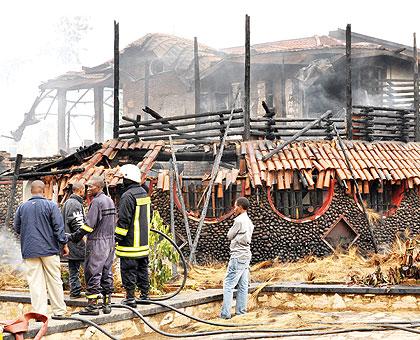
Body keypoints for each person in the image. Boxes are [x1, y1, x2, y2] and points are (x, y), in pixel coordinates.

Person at [14, 180, 69, 317]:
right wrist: (64, 244)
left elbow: (17, 228)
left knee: (35, 282)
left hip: (30, 250)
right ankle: (59, 311)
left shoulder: (22, 207)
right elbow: (59, 228)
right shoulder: (51, 206)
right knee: (54, 280)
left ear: (31, 191)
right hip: (49, 249)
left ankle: (40, 314)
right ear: (44, 191)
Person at [69, 176, 116, 315]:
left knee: (93, 273)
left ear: (99, 187)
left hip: (97, 242)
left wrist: (74, 237)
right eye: (87, 186)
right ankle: (107, 305)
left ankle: (92, 307)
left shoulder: (96, 202)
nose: (88, 189)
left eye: (91, 186)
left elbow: (89, 226)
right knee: (107, 272)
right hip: (110, 242)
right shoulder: (109, 200)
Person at [115, 164, 151, 307]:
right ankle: (144, 295)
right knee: (142, 269)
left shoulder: (127, 196)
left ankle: (130, 298)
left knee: (128, 270)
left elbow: (124, 220)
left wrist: (117, 238)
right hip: (143, 242)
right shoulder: (143, 193)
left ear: (127, 179)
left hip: (130, 244)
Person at [220, 197, 254, 319]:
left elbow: (229, 235)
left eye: (235, 206)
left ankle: (225, 314)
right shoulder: (249, 221)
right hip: (246, 255)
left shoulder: (239, 220)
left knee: (228, 284)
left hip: (237, 256)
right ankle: (241, 312)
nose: (234, 209)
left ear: (240, 207)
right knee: (243, 285)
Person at [61, 182, 86, 299]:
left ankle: (75, 291)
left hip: (70, 242)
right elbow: (78, 224)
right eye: (84, 189)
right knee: (87, 268)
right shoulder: (75, 204)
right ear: (80, 190)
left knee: (73, 269)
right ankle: (81, 291)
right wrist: (83, 237)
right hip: (77, 242)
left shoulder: (68, 203)